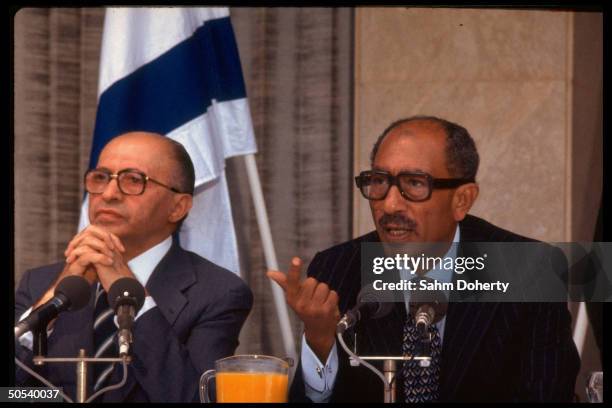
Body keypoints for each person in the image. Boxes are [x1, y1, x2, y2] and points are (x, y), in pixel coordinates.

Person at [268, 116, 580, 402]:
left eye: (414, 184)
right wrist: (320, 342)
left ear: (462, 199)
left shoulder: (530, 271)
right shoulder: (337, 269)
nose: (389, 205)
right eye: (378, 181)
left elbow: (548, 393)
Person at [15, 131, 253, 402]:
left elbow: (195, 397)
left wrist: (128, 290)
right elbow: (10, 393)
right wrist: (55, 295)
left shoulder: (217, 293)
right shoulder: (38, 283)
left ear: (178, 207)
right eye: (101, 177)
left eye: (133, 180)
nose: (109, 193)